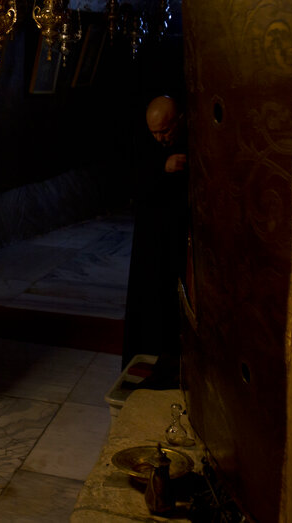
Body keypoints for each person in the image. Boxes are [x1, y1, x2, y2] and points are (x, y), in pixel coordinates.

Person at [122, 94, 188, 383]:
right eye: (155, 133)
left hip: (181, 237)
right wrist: (163, 169)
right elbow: (132, 182)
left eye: (165, 131)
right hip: (151, 239)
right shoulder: (145, 143)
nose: (160, 138)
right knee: (150, 302)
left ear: (179, 121)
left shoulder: (192, 137)